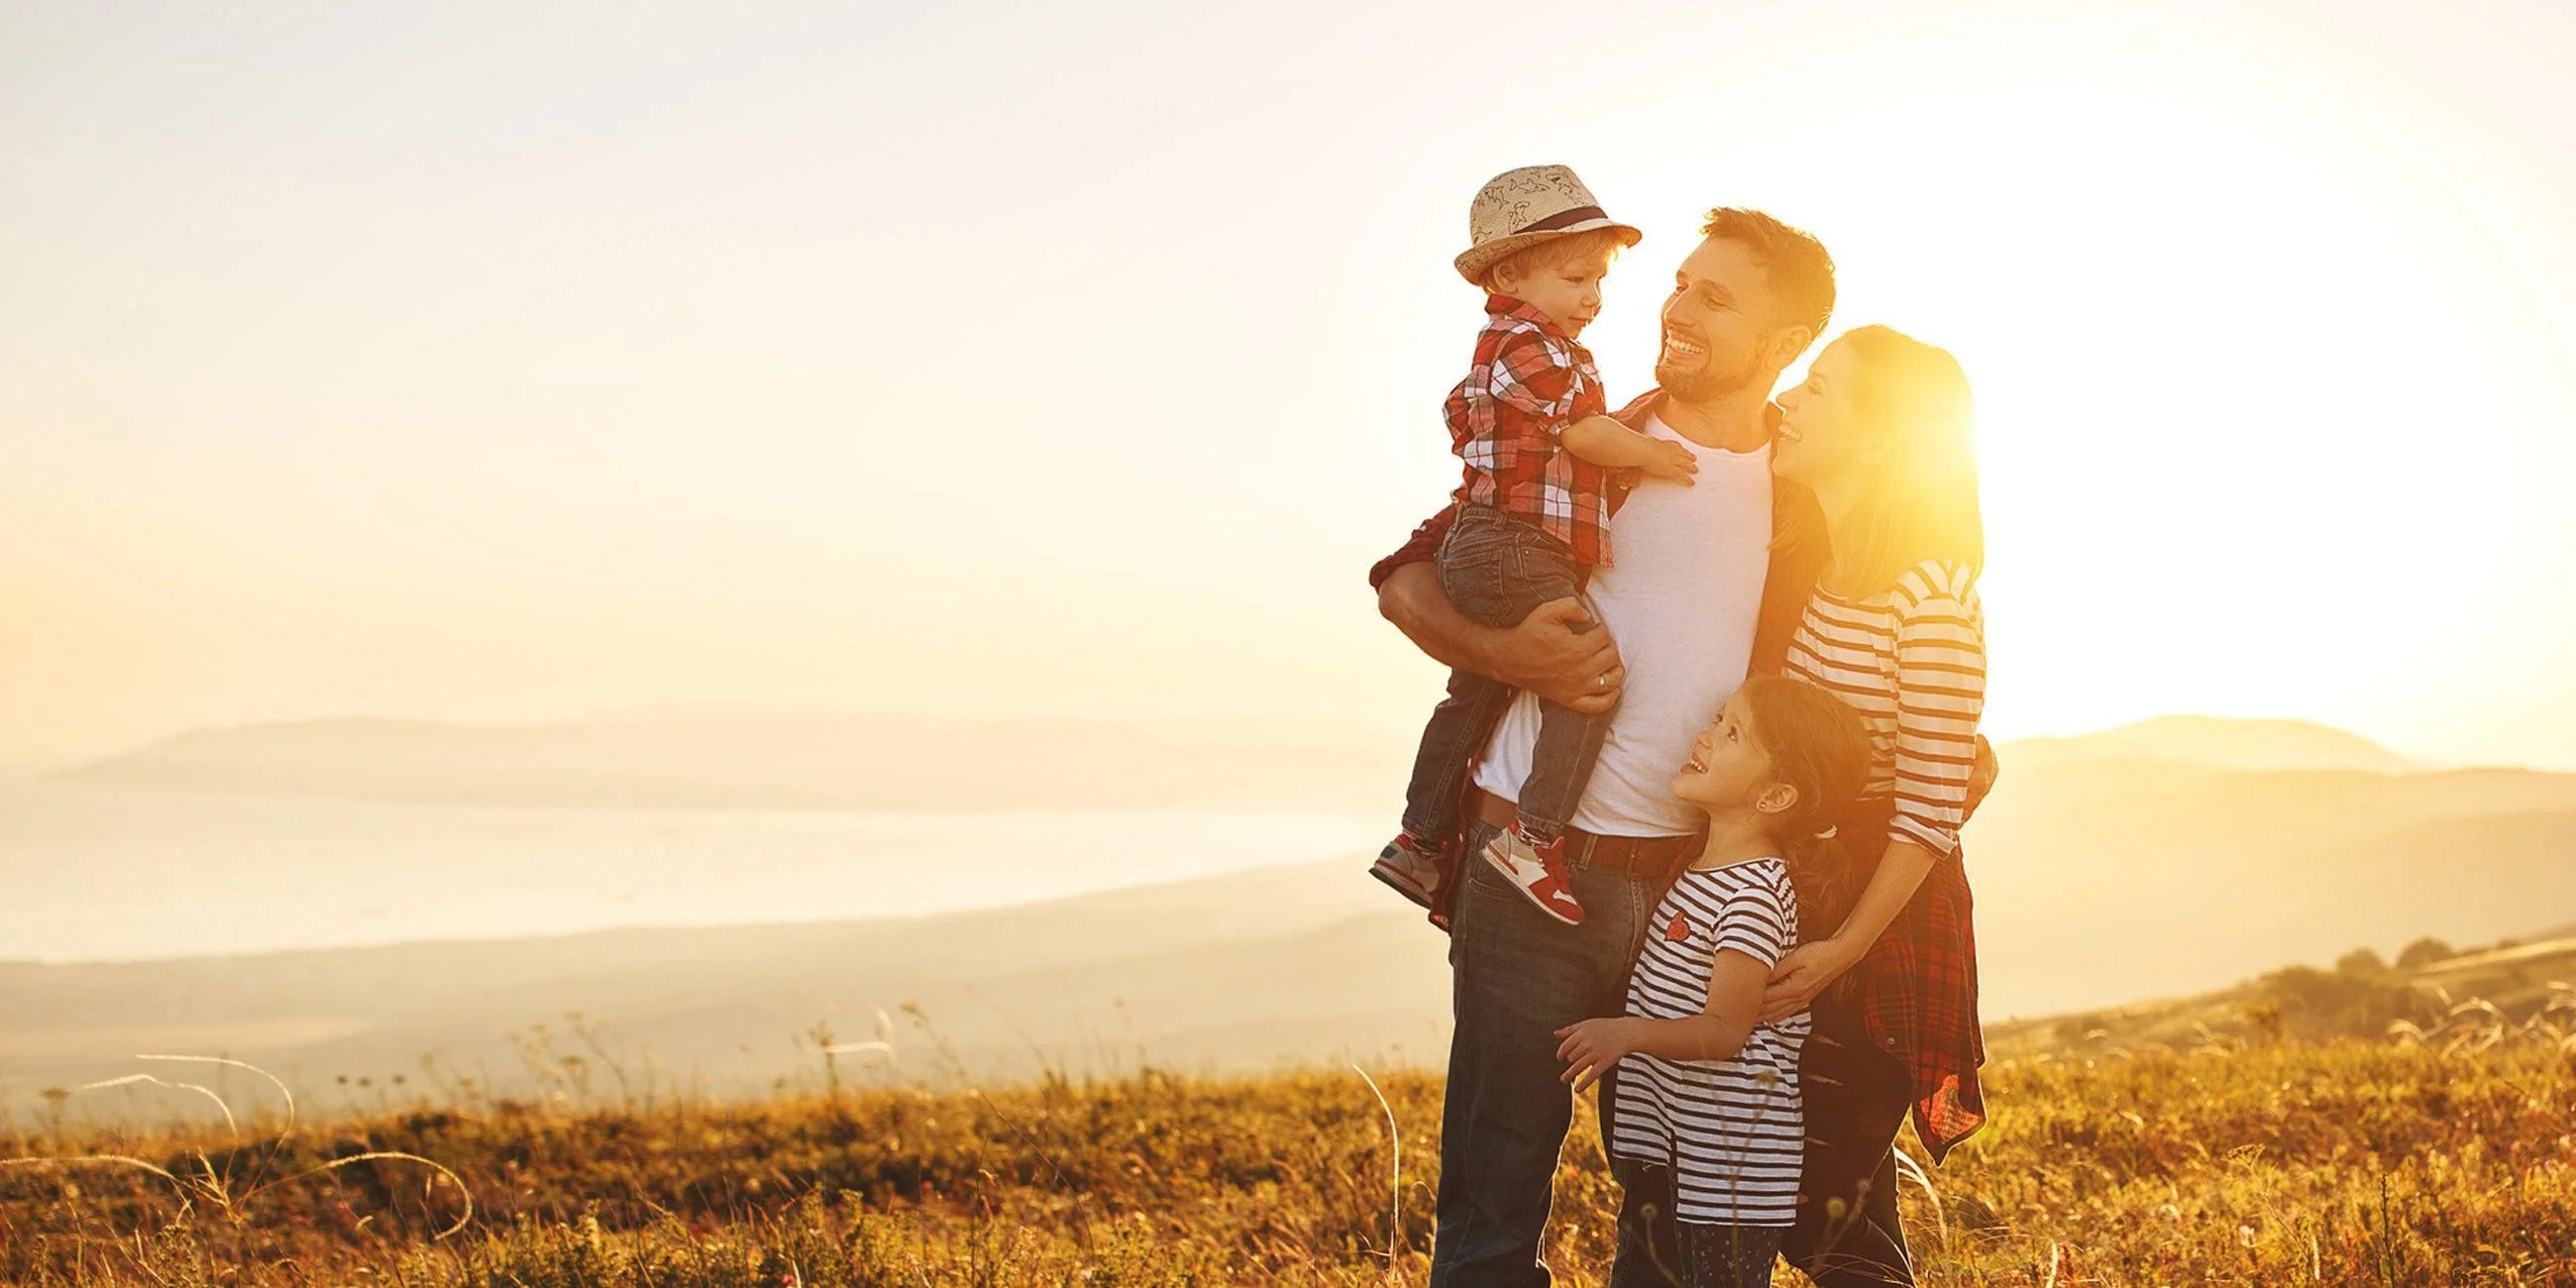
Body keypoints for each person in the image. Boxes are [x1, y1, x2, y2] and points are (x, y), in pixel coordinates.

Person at [1371, 207, 1844, 1288]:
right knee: (1493, 1192)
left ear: (1783, 344)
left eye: (1714, 298)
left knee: (1671, 1195)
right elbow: (1405, 576)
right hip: (1527, 867)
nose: (1674, 308)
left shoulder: (1805, 497)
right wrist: (1507, 650)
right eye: (1678, 283)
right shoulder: (1587, 440)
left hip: (1691, 887)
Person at [1374, 163, 1697, 928]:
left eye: (1599, 283)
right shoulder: (1529, 346)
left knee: (1475, 691)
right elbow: (1583, 432)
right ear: (1512, 273)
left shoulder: (1514, 344)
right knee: (1588, 680)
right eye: (1577, 277)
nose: (1593, 299)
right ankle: (1534, 837)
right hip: (1515, 546)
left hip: (1495, 545)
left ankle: (1419, 839)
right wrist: (1654, 455)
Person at [1757, 324, 1991, 1285]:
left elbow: (1931, 809)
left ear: (1877, 440)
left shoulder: (1930, 597)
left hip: (1879, 925)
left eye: (1819, 388)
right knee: (1839, 1202)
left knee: (1816, 1209)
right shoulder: (1816, 566)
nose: (1791, 400)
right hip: (1801, 889)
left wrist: (1839, 952)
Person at [1555, 675, 1874, 1288]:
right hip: (1675, 1158)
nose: (1704, 736)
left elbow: (1726, 1032)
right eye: (1717, 719)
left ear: (1777, 795)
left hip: (1730, 1178)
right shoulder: (1703, 869)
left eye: (1732, 732)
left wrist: (1626, 1034)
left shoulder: (1752, 894)